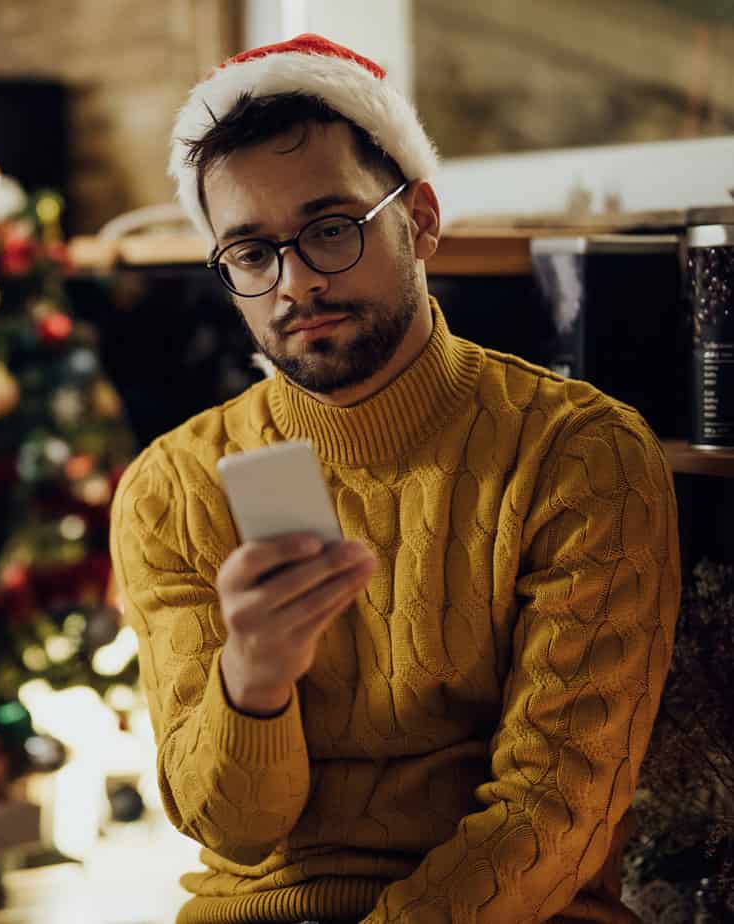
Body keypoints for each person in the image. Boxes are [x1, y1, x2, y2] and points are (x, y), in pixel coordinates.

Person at [109, 34, 680, 924]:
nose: (295, 282)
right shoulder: (171, 487)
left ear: (419, 220)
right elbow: (233, 832)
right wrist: (253, 678)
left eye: (331, 230)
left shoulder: (582, 457)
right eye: (251, 254)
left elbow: (555, 811)